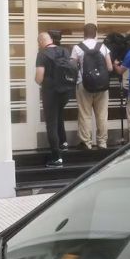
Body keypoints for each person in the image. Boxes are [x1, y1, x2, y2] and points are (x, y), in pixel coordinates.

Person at [71, 23, 113, 149]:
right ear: (96, 33)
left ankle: (87, 142)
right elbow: (110, 67)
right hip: (102, 85)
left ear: (84, 33)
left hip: (84, 84)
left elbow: (72, 67)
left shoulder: (77, 48)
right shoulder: (103, 47)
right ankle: (102, 142)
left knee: (85, 114)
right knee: (102, 114)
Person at [35, 30, 74, 167]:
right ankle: (63, 143)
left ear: (41, 41)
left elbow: (39, 77)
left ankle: (57, 157)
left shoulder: (42, 54)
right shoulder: (64, 51)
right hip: (65, 91)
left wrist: (39, 81)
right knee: (59, 116)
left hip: (50, 92)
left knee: (51, 123)